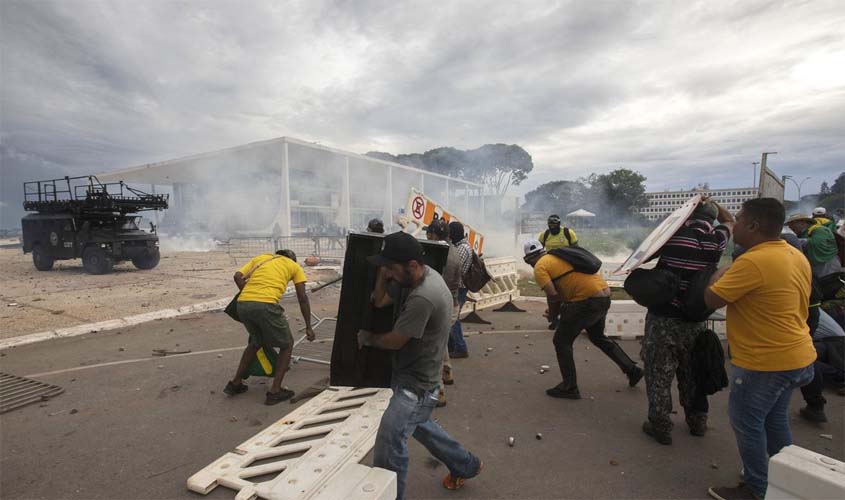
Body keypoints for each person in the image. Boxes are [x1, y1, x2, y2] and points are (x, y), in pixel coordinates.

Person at [704, 198, 816, 500]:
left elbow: (712, 299)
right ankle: (782, 480)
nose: (735, 224)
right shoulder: (794, 254)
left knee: (746, 423)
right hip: (798, 353)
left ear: (753, 225)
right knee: (774, 419)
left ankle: (757, 488)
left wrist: (720, 271)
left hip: (765, 361)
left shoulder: (752, 261)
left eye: (738, 219)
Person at [358, 231, 482, 500]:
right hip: (410, 375)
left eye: (391, 268)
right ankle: (466, 465)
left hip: (417, 386)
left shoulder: (423, 296)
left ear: (412, 265)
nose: (388, 274)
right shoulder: (411, 279)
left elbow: (393, 341)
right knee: (422, 427)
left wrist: (368, 338)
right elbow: (379, 301)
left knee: (389, 444)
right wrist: (384, 271)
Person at [641, 198, 733, 445]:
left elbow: (646, 249)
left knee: (658, 372)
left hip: (663, 317)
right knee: (692, 370)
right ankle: (697, 421)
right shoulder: (718, 239)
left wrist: (687, 208)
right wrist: (713, 203)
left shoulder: (674, 236)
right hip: (695, 318)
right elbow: (729, 221)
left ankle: (660, 425)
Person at [523, 239, 643, 399]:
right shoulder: (559, 256)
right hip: (603, 295)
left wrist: (552, 316)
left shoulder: (540, 267)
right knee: (598, 337)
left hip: (585, 301)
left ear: (529, 259)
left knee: (561, 341)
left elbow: (552, 296)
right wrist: (557, 311)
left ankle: (569, 386)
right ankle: (632, 370)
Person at [224, 249, 315, 405]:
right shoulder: (294, 266)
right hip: (266, 305)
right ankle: (275, 391)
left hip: (243, 304)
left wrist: (250, 294)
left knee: (255, 342)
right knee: (287, 345)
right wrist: (308, 326)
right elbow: (302, 297)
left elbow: (237, 276)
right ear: (292, 259)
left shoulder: (262, 258)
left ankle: (235, 383)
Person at [425, 218, 461, 407]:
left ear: (433, 234)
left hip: (442, 306)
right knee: (441, 341)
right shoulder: (452, 249)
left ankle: (438, 391)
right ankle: (447, 372)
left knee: (433, 347)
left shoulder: (440, 253)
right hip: (452, 304)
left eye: (428, 233)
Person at [785, 213, 842, 299]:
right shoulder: (803, 234)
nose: (790, 227)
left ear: (803, 222)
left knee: (831, 294)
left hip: (828, 270)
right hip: (817, 274)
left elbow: (818, 244)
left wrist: (796, 242)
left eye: (792, 223)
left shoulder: (820, 230)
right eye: (789, 225)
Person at [447, 221, 472, 358]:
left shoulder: (462, 248)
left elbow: (457, 269)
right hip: (458, 287)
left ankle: (461, 347)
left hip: (459, 288)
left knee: (454, 318)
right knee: (451, 317)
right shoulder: (460, 245)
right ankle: (452, 345)